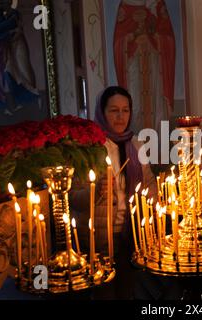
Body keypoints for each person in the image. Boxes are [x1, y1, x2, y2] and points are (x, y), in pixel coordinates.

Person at [70, 86, 157, 299]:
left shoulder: (136, 144)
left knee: (128, 291)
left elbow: (149, 182)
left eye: (125, 110)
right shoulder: (87, 148)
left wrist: (154, 207)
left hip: (131, 235)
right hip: (98, 238)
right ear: (102, 111)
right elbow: (72, 198)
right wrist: (95, 190)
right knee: (104, 294)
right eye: (114, 110)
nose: (120, 117)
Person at [113, 0, 175, 134]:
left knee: (157, 104)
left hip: (154, 62)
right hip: (134, 63)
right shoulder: (125, 5)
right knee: (134, 103)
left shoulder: (157, 4)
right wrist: (132, 37)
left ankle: (160, 150)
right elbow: (118, 43)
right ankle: (137, 150)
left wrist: (153, 36)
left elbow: (168, 39)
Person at [0, 0, 39, 115]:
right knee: (6, 74)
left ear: (9, 3)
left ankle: (30, 98)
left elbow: (2, 28)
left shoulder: (13, 14)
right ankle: (8, 105)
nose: (1, 5)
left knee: (22, 70)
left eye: (3, 3)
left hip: (16, 47)